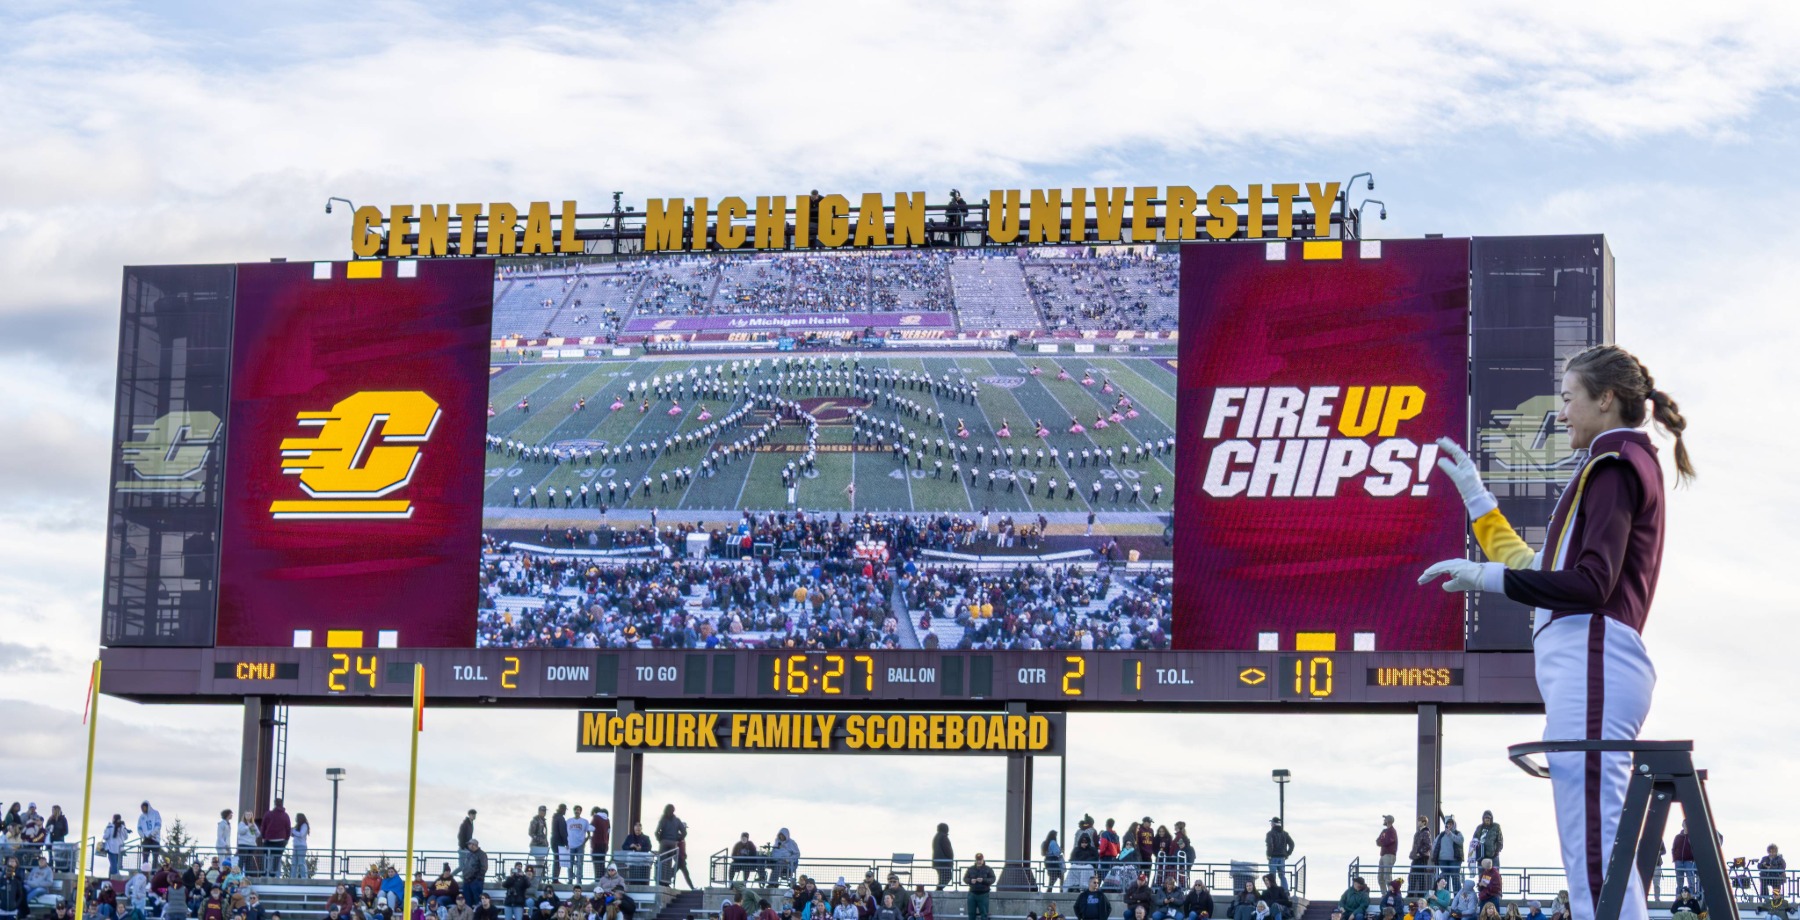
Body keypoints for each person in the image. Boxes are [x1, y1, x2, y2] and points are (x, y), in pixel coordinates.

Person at [1422, 346, 1690, 920]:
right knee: (1591, 846)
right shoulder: (1609, 463)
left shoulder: (1612, 465)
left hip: (1594, 656)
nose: (1561, 411)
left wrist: (1491, 579)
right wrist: (1476, 497)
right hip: (1590, 660)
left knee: (1591, 845)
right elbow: (1538, 567)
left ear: (1605, 399)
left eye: (1569, 398)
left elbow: (1589, 585)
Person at [652, 806, 684, 888]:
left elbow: (656, 832)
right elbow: (684, 832)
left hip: (664, 843)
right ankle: (667, 882)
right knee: (669, 863)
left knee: (662, 863)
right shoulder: (677, 820)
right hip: (673, 843)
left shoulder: (663, 820)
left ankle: (661, 882)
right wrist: (678, 839)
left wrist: (660, 840)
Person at [261, 798, 292, 877]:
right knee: (276, 859)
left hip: (269, 839)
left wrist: (263, 837)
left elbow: (263, 826)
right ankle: (273, 874)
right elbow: (288, 828)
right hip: (281, 840)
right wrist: (286, 839)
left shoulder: (268, 814)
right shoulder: (285, 815)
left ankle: (265, 873)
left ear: (274, 803)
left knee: (267, 857)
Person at [1432, 819, 1463, 889]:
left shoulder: (1458, 833)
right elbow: (1434, 844)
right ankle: (1446, 896)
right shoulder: (1441, 834)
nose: (1449, 825)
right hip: (1442, 860)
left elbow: (1460, 841)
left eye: (1451, 824)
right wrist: (1436, 854)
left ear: (1454, 825)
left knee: (1455, 878)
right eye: (1448, 824)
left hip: (1455, 860)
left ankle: (1457, 896)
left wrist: (1451, 834)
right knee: (1444, 879)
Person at [963, 855, 995, 920]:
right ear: (975, 860)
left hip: (984, 894)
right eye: (977, 860)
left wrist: (983, 880)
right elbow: (965, 879)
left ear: (983, 860)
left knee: (984, 914)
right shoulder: (970, 869)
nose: (979, 861)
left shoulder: (988, 869)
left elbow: (993, 879)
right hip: (972, 894)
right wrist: (970, 881)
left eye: (980, 860)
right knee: (971, 914)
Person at [1408, 818, 1433, 898]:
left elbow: (1428, 845)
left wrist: (1420, 853)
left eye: (1419, 821)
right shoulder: (1418, 833)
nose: (1417, 822)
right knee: (1413, 876)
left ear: (1423, 822)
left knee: (1420, 875)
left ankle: (1420, 894)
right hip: (1417, 857)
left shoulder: (1425, 833)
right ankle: (1411, 894)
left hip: (1422, 857)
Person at [1265, 820, 1294, 889]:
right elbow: (1292, 844)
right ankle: (1285, 891)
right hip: (1282, 858)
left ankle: (1273, 889)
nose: (1271, 824)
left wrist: (1268, 854)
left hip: (1273, 857)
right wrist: (1287, 854)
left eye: (1271, 823)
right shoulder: (1285, 833)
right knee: (1282, 875)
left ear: (1273, 824)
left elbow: (1270, 845)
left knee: (1272, 875)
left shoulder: (1270, 833)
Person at [565, 810, 590, 886]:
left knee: (579, 864)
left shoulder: (585, 821)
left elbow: (589, 833)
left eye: (578, 810)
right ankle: (570, 880)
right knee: (570, 864)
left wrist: (584, 842)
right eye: (576, 810)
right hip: (571, 846)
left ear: (580, 811)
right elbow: (565, 832)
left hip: (580, 846)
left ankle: (579, 880)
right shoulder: (569, 821)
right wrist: (566, 843)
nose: (577, 812)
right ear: (574, 811)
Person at [1376, 817, 1399, 891]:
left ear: (1388, 821)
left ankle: (1390, 893)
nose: (1384, 820)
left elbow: (1388, 841)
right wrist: (1382, 841)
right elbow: (1378, 841)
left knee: (1387, 876)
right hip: (1383, 855)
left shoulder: (1392, 831)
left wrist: (1382, 841)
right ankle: (1384, 894)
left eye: (1385, 819)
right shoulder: (1384, 831)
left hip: (1389, 855)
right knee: (1380, 876)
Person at [465, 841, 489, 906]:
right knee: (467, 901)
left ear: (474, 845)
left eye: (469, 844)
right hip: (467, 881)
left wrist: (477, 878)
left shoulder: (482, 854)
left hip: (476, 881)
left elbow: (484, 867)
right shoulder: (469, 854)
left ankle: (478, 914)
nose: (468, 846)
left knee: (477, 900)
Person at [931, 825, 953, 891]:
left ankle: (939, 889)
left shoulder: (937, 836)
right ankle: (938, 890)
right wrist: (951, 858)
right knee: (948, 876)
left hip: (937, 862)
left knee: (942, 878)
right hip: (944, 862)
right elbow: (947, 850)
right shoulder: (943, 837)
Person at [528, 809, 550, 875]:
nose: (544, 812)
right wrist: (539, 839)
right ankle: (537, 879)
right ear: (539, 811)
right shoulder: (535, 820)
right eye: (542, 811)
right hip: (537, 845)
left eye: (544, 811)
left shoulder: (543, 821)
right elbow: (531, 833)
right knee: (539, 864)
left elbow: (544, 833)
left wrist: (545, 842)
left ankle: (538, 878)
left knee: (541, 863)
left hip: (543, 846)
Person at [292, 813, 311, 879]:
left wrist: (293, 831)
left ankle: (304, 877)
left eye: (297, 817)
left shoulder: (304, 825)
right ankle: (293, 877)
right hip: (295, 846)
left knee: (301, 862)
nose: (296, 819)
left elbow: (301, 834)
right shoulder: (297, 826)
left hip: (301, 846)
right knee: (294, 863)